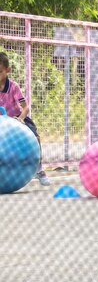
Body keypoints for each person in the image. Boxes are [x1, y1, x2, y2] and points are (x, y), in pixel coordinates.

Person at [0, 52, 49, 185]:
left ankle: (39, 169)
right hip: (2, 125)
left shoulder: (13, 87)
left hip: (17, 119)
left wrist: (20, 119)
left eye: (0, 71)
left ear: (7, 70)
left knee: (35, 136)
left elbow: (25, 107)